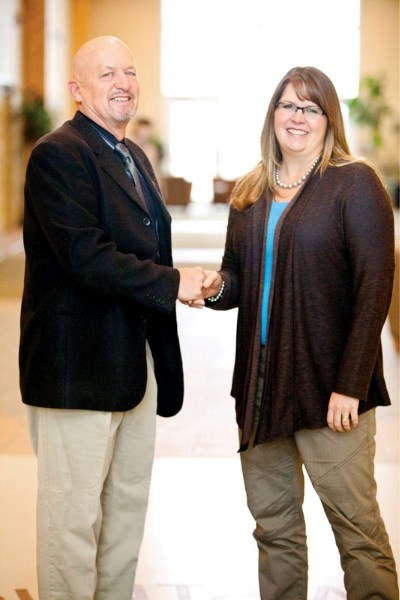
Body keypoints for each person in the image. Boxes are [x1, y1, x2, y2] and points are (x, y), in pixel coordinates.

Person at [198, 66, 399, 599]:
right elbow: (236, 279)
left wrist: (351, 384)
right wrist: (213, 288)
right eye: (288, 105)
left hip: (330, 392)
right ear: (272, 115)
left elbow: (375, 286)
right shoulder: (251, 191)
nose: (298, 117)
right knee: (275, 530)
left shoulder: (355, 183)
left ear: (329, 119)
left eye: (311, 108)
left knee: (357, 532)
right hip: (261, 392)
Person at [19, 35, 205, 600]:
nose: (123, 81)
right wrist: (175, 284)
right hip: (79, 369)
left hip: (136, 363)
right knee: (72, 522)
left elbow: (146, 247)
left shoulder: (133, 155)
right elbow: (86, 256)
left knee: (125, 509)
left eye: (129, 70)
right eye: (106, 74)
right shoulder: (59, 154)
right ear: (77, 90)